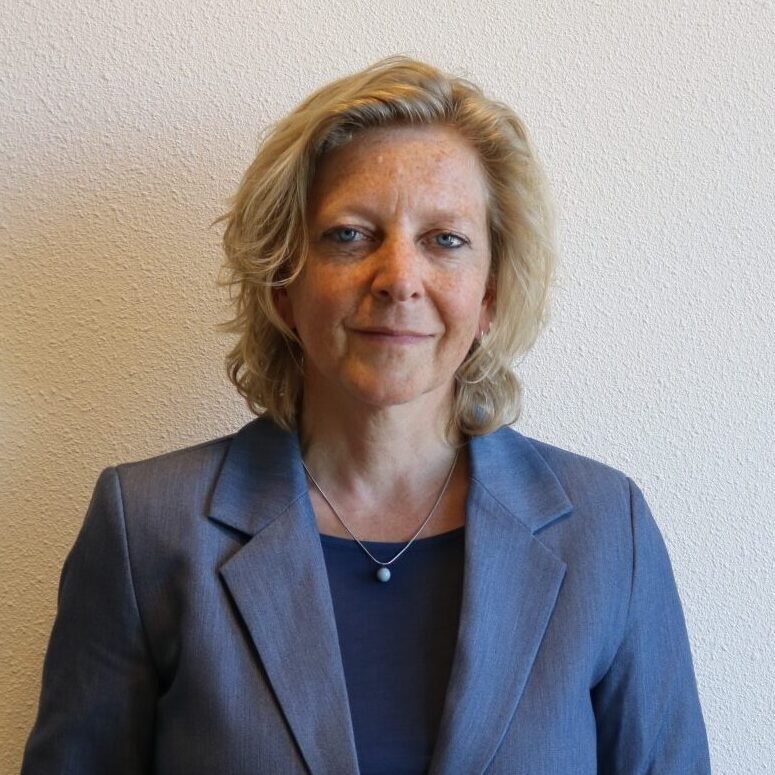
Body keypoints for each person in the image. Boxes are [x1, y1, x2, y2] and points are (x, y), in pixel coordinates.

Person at [22, 57, 710, 774]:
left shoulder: (607, 532)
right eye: (350, 235)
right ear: (283, 283)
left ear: (490, 295)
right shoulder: (146, 528)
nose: (399, 279)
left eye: (444, 239)